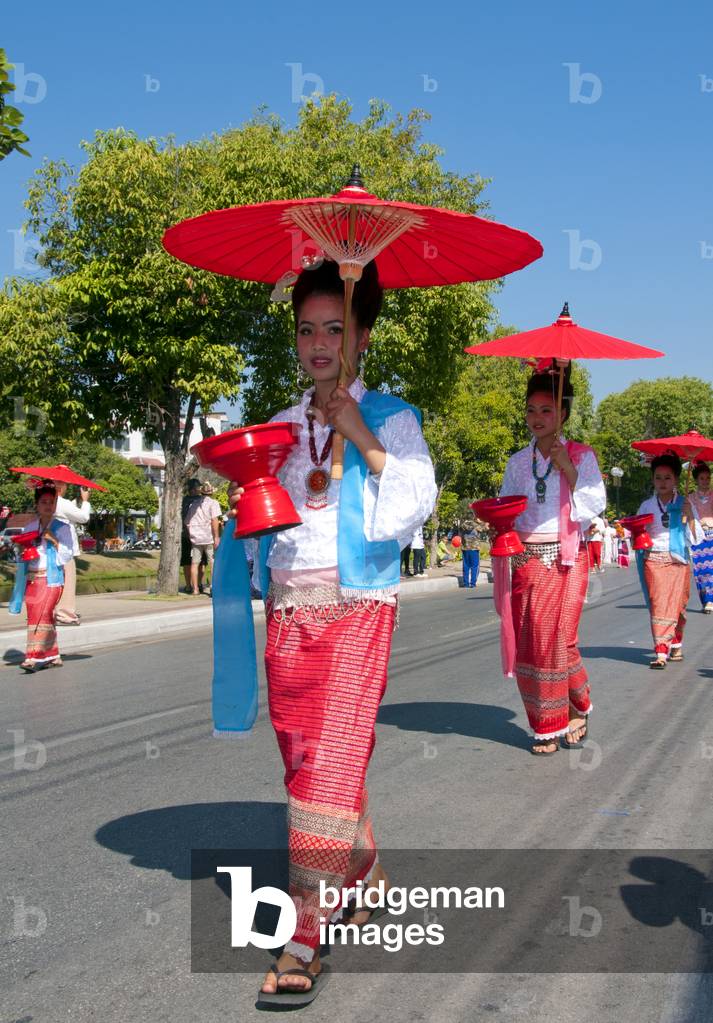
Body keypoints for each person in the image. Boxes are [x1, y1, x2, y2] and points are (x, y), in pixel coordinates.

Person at [228, 259, 436, 1006]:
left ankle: (304, 932)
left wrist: (359, 434)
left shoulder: (392, 415)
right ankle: (365, 866)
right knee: (305, 761)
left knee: (327, 767)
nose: (320, 343)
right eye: (307, 329)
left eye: (335, 329)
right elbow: (269, 522)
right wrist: (247, 488)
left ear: (362, 336)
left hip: (358, 606)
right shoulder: (280, 424)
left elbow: (413, 503)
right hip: (287, 610)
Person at [498, 362, 606, 755]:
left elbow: (594, 505)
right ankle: (570, 709)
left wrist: (568, 469)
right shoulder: (516, 462)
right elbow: (508, 506)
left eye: (547, 410)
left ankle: (555, 722)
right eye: (531, 410)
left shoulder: (582, 455)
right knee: (533, 640)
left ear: (563, 413)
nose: (537, 418)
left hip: (567, 557)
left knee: (558, 638)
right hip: (526, 558)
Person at [636, 455, 703, 668]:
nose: (662, 482)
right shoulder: (647, 505)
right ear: (653, 480)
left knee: (678, 607)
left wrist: (689, 517)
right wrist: (637, 531)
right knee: (659, 604)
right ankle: (661, 651)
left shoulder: (685, 504)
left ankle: (676, 642)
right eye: (658, 478)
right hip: (653, 559)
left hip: (679, 560)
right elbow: (638, 531)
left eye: (667, 478)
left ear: (675, 480)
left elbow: (697, 537)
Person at [8, 483, 74, 672]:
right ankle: (52, 655)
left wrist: (53, 539)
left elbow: (67, 555)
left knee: (43, 615)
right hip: (33, 578)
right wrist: (22, 548)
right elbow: (23, 553)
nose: (47, 505)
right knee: (35, 616)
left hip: (52, 578)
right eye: (43, 501)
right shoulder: (30, 526)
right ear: (37, 504)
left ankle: (33, 656)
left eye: (51, 502)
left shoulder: (62, 527)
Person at [53, 482, 92, 625]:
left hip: (50, 549)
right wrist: (86, 501)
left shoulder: (45, 501)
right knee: (67, 582)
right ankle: (65, 614)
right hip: (64, 550)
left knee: (54, 583)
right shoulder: (61, 503)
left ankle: (51, 612)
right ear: (61, 487)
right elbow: (83, 517)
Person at [184, 483, 221, 595]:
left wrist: (192, 533)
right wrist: (216, 536)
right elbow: (214, 520)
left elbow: (187, 522)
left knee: (194, 563)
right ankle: (214, 587)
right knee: (213, 562)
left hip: (196, 538)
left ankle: (195, 589)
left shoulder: (193, 504)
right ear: (211, 493)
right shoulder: (213, 503)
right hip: (208, 536)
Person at [689, 461, 713, 613]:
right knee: (700, 571)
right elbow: (687, 518)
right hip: (697, 537)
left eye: (707, 478)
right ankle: (705, 600)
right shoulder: (690, 498)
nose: (705, 481)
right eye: (702, 478)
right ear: (696, 480)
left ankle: (711, 600)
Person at [180, 479, 202, 592]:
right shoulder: (202, 501)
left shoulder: (183, 501)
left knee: (190, 562)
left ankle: (191, 585)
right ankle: (196, 584)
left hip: (189, 535)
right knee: (196, 562)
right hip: (198, 535)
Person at [460, 517, 480, 587]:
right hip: (474, 548)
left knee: (466, 566)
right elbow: (486, 528)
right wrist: (480, 522)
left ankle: (466, 584)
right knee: (474, 566)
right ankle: (473, 583)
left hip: (465, 548)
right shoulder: (477, 526)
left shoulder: (462, 526)